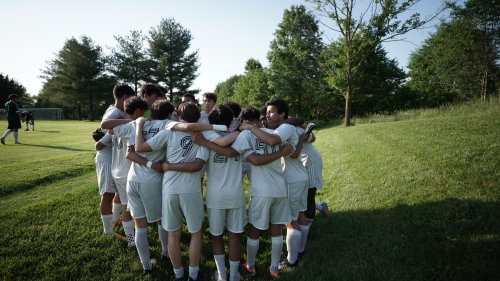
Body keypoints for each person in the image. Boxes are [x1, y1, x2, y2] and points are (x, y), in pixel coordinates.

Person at [190, 105, 294, 281]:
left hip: (215, 196)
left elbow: (214, 155)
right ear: (231, 120)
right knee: (234, 237)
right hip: (236, 195)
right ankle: (233, 275)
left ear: (211, 122)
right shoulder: (240, 136)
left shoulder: (206, 137)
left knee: (216, 236)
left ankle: (222, 275)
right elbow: (231, 152)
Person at [135, 102, 223, 281]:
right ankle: (192, 275)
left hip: (169, 189)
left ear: (178, 116)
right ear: (197, 118)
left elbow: (140, 148)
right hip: (190, 189)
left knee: (174, 234)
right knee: (196, 232)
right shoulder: (202, 135)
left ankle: (178, 275)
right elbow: (196, 166)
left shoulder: (169, 132)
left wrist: (138, 126)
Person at [240, 99, 309, 269]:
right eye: (266, 113)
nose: (267, 115)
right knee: (297, 216)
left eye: (271, 112)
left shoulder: (283, 128)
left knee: (290, 221)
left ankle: (292, 260)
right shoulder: (285, 126)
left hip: (290, 179)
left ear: (282, 114)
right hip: (296, 177)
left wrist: (251, 127)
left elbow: (272, 140)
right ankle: (298, 252)